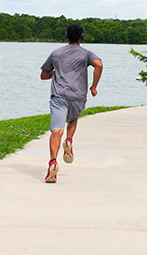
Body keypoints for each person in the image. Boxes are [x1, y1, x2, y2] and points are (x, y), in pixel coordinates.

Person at [40, 23, 103, 183]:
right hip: (78, 96)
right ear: (82, 37)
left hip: (59, 95)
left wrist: (56, 73)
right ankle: (69, 140)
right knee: (73, 119)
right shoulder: (86, 53)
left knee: (56, 131)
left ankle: (53, 162)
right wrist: (94, 87)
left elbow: (43, 75)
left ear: (66, 36)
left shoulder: (56, 53)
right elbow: (99, 65)